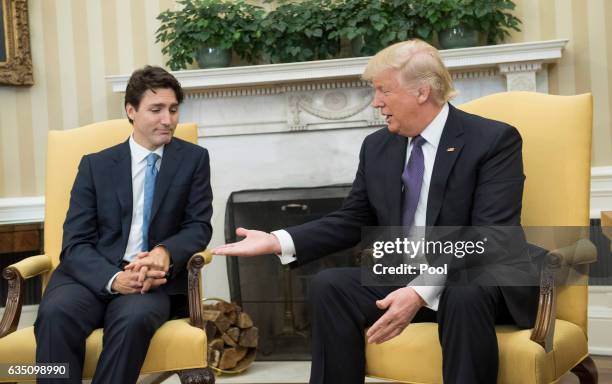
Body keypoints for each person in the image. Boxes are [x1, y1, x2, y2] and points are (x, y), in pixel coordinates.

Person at [213, 39, 538, 384]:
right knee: (330, 285)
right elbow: (353, 218)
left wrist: (419, 291)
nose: (376, 102)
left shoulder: (492, 140)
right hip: (407, 274)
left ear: (422, 92)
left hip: (478, 278)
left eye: (384, 91)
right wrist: (278, 241)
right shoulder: (378, 147)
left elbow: (489, 237)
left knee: (462, 289)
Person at [34, 66, 213, 384]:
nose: (168, 120)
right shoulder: (95, 165)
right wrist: (113, 278)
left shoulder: (194, 160)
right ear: (131, 111)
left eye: (173, 110)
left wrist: (165, 252)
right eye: (156, 109)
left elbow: (198, 226)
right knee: (55, 313)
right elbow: (75, 242)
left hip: (151, 282)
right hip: (89, 277)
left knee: (134, 319)